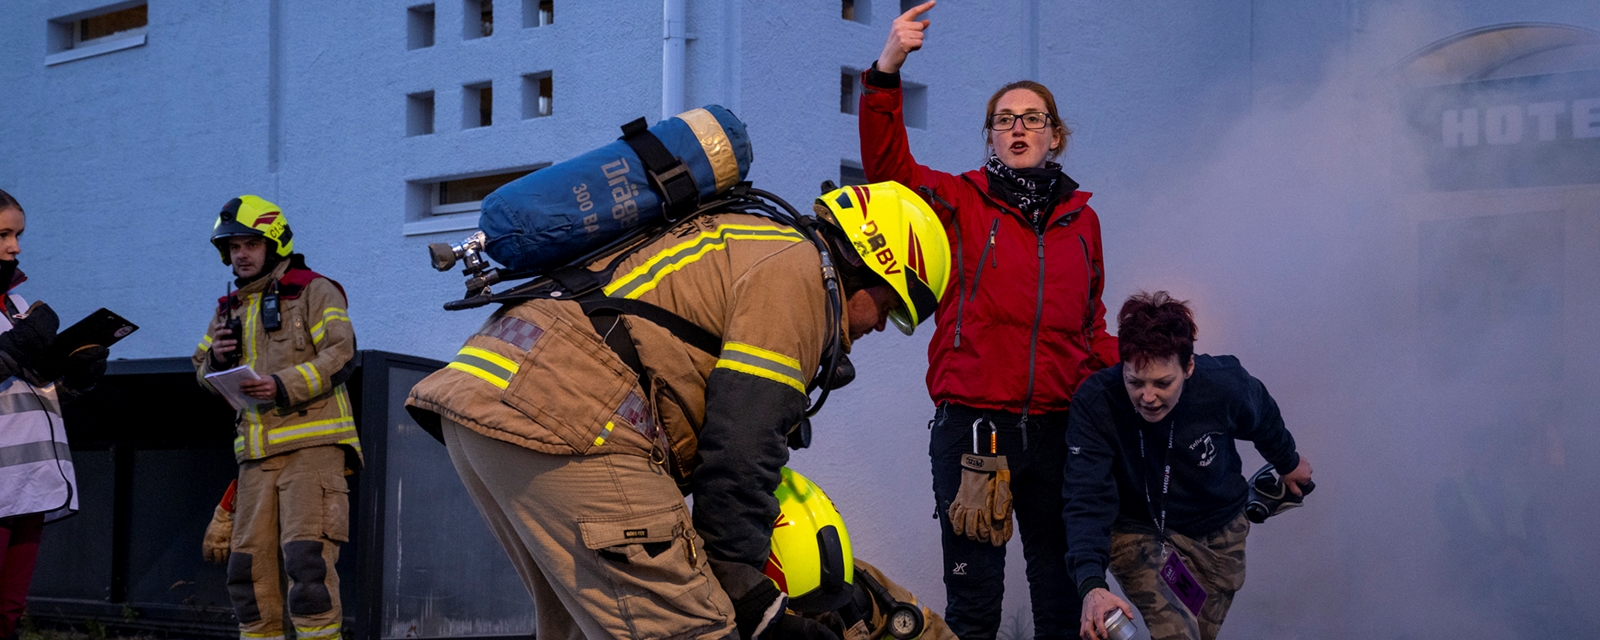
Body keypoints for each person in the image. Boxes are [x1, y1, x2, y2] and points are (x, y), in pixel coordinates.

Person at [406, 181, 951, 640]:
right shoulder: (801, 277)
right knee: (693, 627)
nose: (878, 326)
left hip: (489, 397)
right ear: (870, 263)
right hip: (569, 417)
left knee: (579, 627)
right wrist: (746, 590)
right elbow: (744, 441)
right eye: (889, 307)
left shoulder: (749, 239)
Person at [859, 3, 1118, 638]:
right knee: (976, 606)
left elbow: (1090, 327)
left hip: (1059, 433)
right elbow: (888, 174)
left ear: (1055, 135)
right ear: (991, 137)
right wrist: (887, 71)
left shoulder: (1082, 221)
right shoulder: (958, 201)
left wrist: (1146, 366)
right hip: (976, 432)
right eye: (1004, 121)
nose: (1018, 129)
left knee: (1060, 599)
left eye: (1032, 118)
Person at [1064, 292, 1314, 640]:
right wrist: (1091, 583)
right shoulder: (1096, 403)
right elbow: (1085, 496)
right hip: (1139, 530)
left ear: (1189, 367)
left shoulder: (1225, 384)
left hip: (1218, 531)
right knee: (1178, 634)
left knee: (1197, 635)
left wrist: (1287, 461)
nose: (1147, 397)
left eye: (1163, 383)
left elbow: (1263, 416)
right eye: (1135, 382)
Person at [191, 195, 358, 640]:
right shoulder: (229, 307)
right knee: (247, 576)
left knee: (308, 569)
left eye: (250, 244)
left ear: (274, 243)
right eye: (232, 247)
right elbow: (201, 370)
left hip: (311, 449)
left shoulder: (314, 289)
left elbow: (342, 354)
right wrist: (217, 360)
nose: (240, 254)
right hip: (256, 459)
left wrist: (283, 384)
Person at [0, 188, 108, 640]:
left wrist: (76, 380)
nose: (15, 247)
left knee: (7, 611)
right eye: (3, 234)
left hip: (29, 484)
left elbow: (34, 396)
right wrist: (14, 349)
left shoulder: (18, 308)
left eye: (18, 235)